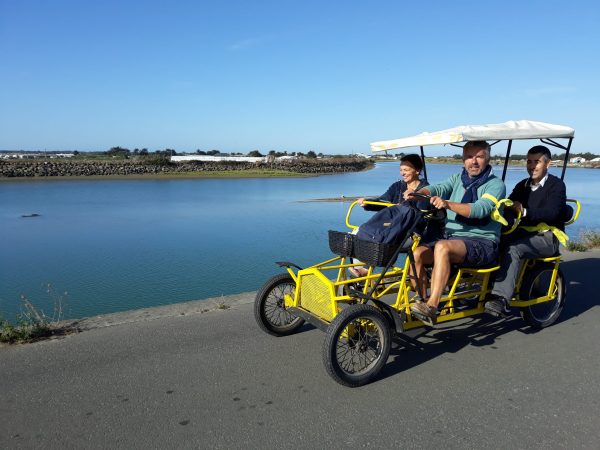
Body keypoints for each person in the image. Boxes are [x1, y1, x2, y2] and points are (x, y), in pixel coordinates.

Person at [408, 140, 506, 323]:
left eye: (479, 156)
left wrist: (447, 204)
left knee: (442, 247)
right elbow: (439, 188)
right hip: (454, 238)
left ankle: (432, 306)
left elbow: (480, 209)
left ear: (488, 159)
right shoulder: (457, 179)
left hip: (482, 242)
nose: (474, 161)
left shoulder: (496, 185)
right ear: (463, 160)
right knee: (417, 253)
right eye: (469, 157)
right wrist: (420, 191)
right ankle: (420, 301)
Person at [485, 145, 568, 316]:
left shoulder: (556, 185)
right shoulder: (522, 185)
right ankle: (488, 284)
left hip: (547, 236)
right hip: (525, 232)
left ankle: (501, 298)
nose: (532, 166)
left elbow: (552, 213)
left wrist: (524, 212)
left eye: (536, 162)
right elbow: (508, 205)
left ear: (548, 164)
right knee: (493, 240)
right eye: (529, 161)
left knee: (513, 249)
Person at [350, 154, 428, 277]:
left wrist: (404, 206)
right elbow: (383, 201)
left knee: (379, 238)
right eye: (401, 170)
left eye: (406, 170)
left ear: (417, 171)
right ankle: (360, 269)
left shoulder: (426, 189)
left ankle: (365, 271)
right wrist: (367, 203)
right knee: (358, 232)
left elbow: (424, 216)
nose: (403, 173)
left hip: (412, 233)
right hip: (391, 226)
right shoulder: (397, 186)